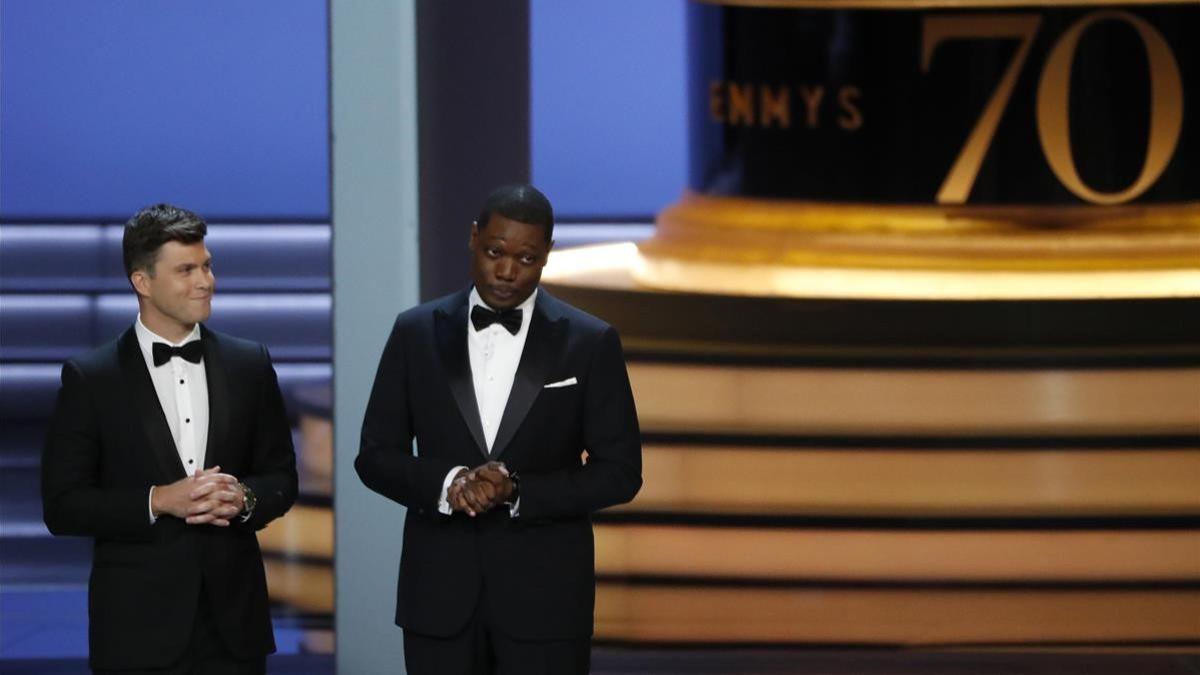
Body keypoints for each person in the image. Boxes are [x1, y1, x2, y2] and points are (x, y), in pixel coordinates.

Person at [356, 184, 642, 674]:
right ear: (473, 238)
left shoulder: (590, 342)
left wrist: (519, 491)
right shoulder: (416, 332)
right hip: (438, 599)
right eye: (495, 252)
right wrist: (448, 484)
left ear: (547, 255)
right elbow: (376, 455)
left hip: (547, 605)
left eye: (526, 258)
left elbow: (620, 472)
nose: (507, 271)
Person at [41, 203, 298, 674]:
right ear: (143, 282)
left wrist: (244, 497)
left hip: (233, 629)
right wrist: (158, 500)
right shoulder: (92, 378)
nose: (206, 281)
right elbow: (63, 505)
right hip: (137, 631)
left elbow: (282, 476)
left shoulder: (249, 365)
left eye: (207, 265)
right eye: (186, 270)